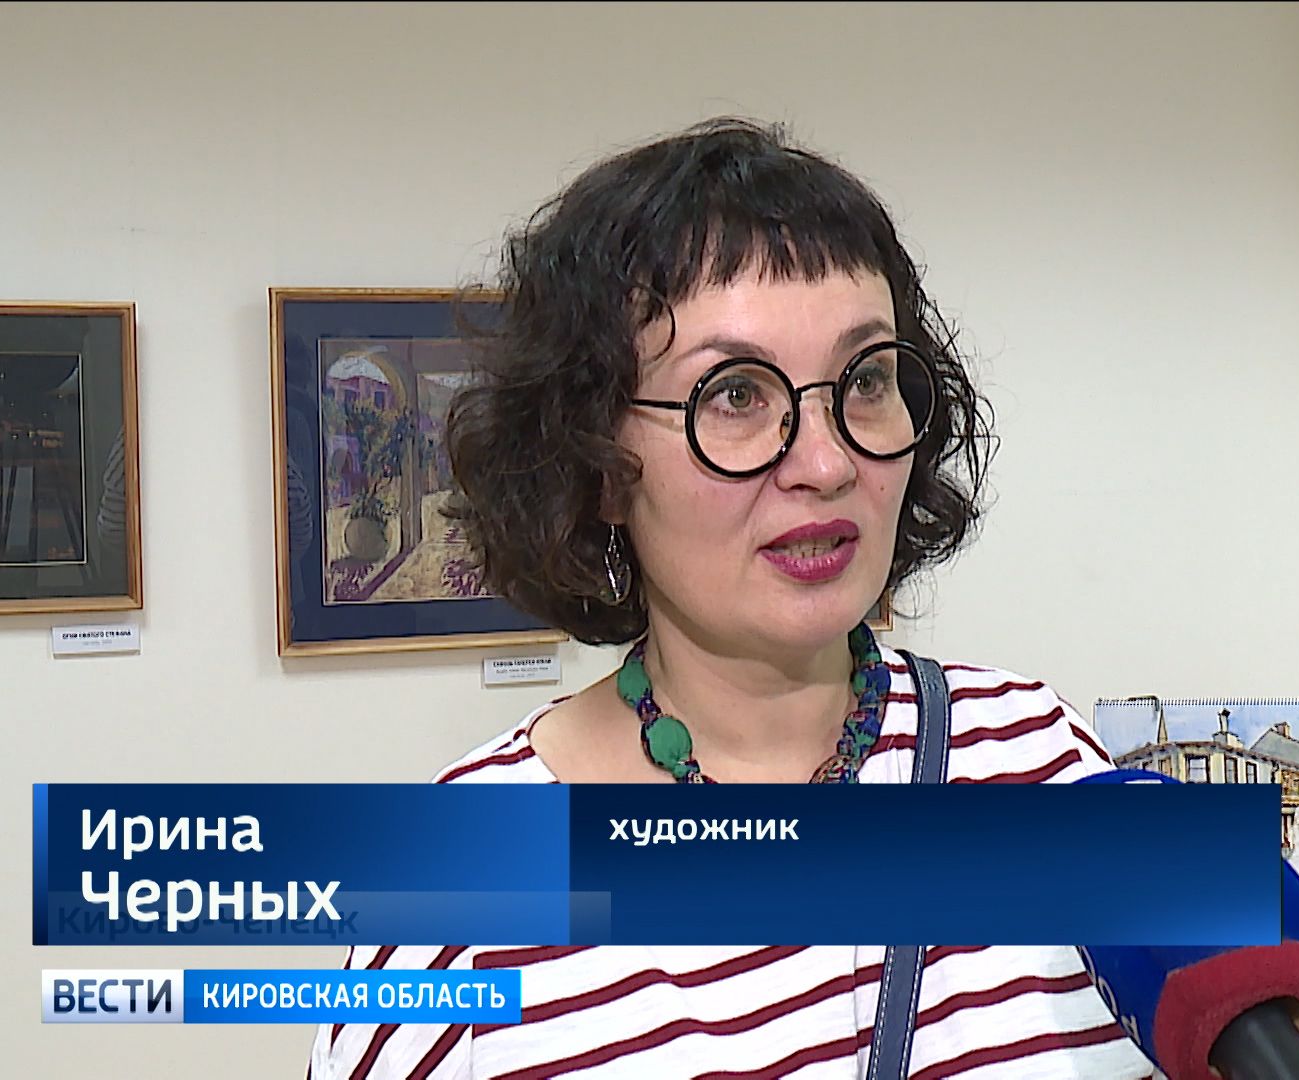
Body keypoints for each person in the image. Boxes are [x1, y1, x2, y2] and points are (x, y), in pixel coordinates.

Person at [308, 118, 1157, 1079]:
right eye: (736, 395)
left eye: (866, 379)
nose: (828, 464)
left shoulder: (1042, 758)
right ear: (597, 462)